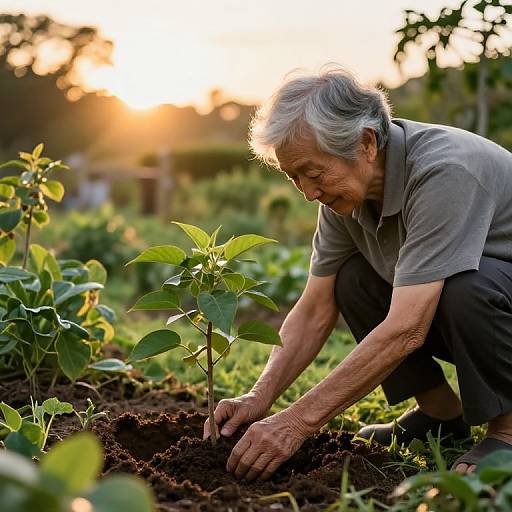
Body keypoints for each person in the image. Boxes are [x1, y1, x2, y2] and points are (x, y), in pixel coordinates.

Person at [202, 66, 512, 481]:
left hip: (494, 303)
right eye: (294, 177)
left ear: (366, 143)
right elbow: (314, 309)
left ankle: (508, 433)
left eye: (313, 173)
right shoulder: (345, 196)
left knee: (464, 286)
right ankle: (440, 414)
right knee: (352, 279)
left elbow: (407, 329)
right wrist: (260, 397)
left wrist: (297, 423)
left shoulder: (445, 172)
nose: (309, 192)